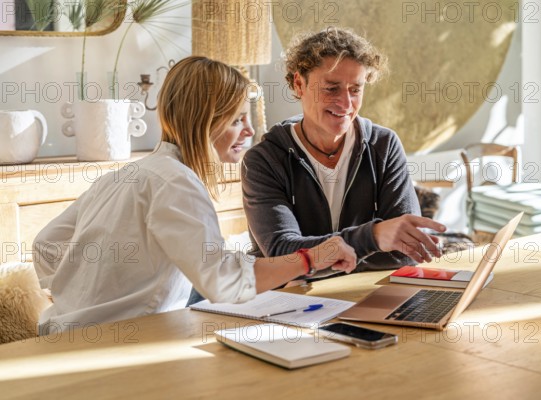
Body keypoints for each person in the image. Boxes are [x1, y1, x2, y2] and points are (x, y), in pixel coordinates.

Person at [33, 56, 356, 334]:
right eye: (237, 119)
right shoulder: (176, 183)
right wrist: (310, 258)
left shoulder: (131, 173)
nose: (249, 131)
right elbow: (224, 283)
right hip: (118, 346)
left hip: (59, 332)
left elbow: (46, 245)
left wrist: (82, 292)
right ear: (204, 123)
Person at [242, 27, 446, 278]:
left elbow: (407, 250)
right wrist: (373, 238)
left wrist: (320, 258)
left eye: (355, 89)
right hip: (294, 305)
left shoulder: (383, 145)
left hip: (363, 297)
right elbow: (282, 256)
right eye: (331, 88)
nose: (347, 104)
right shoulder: (264, 160)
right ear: (299, 84)